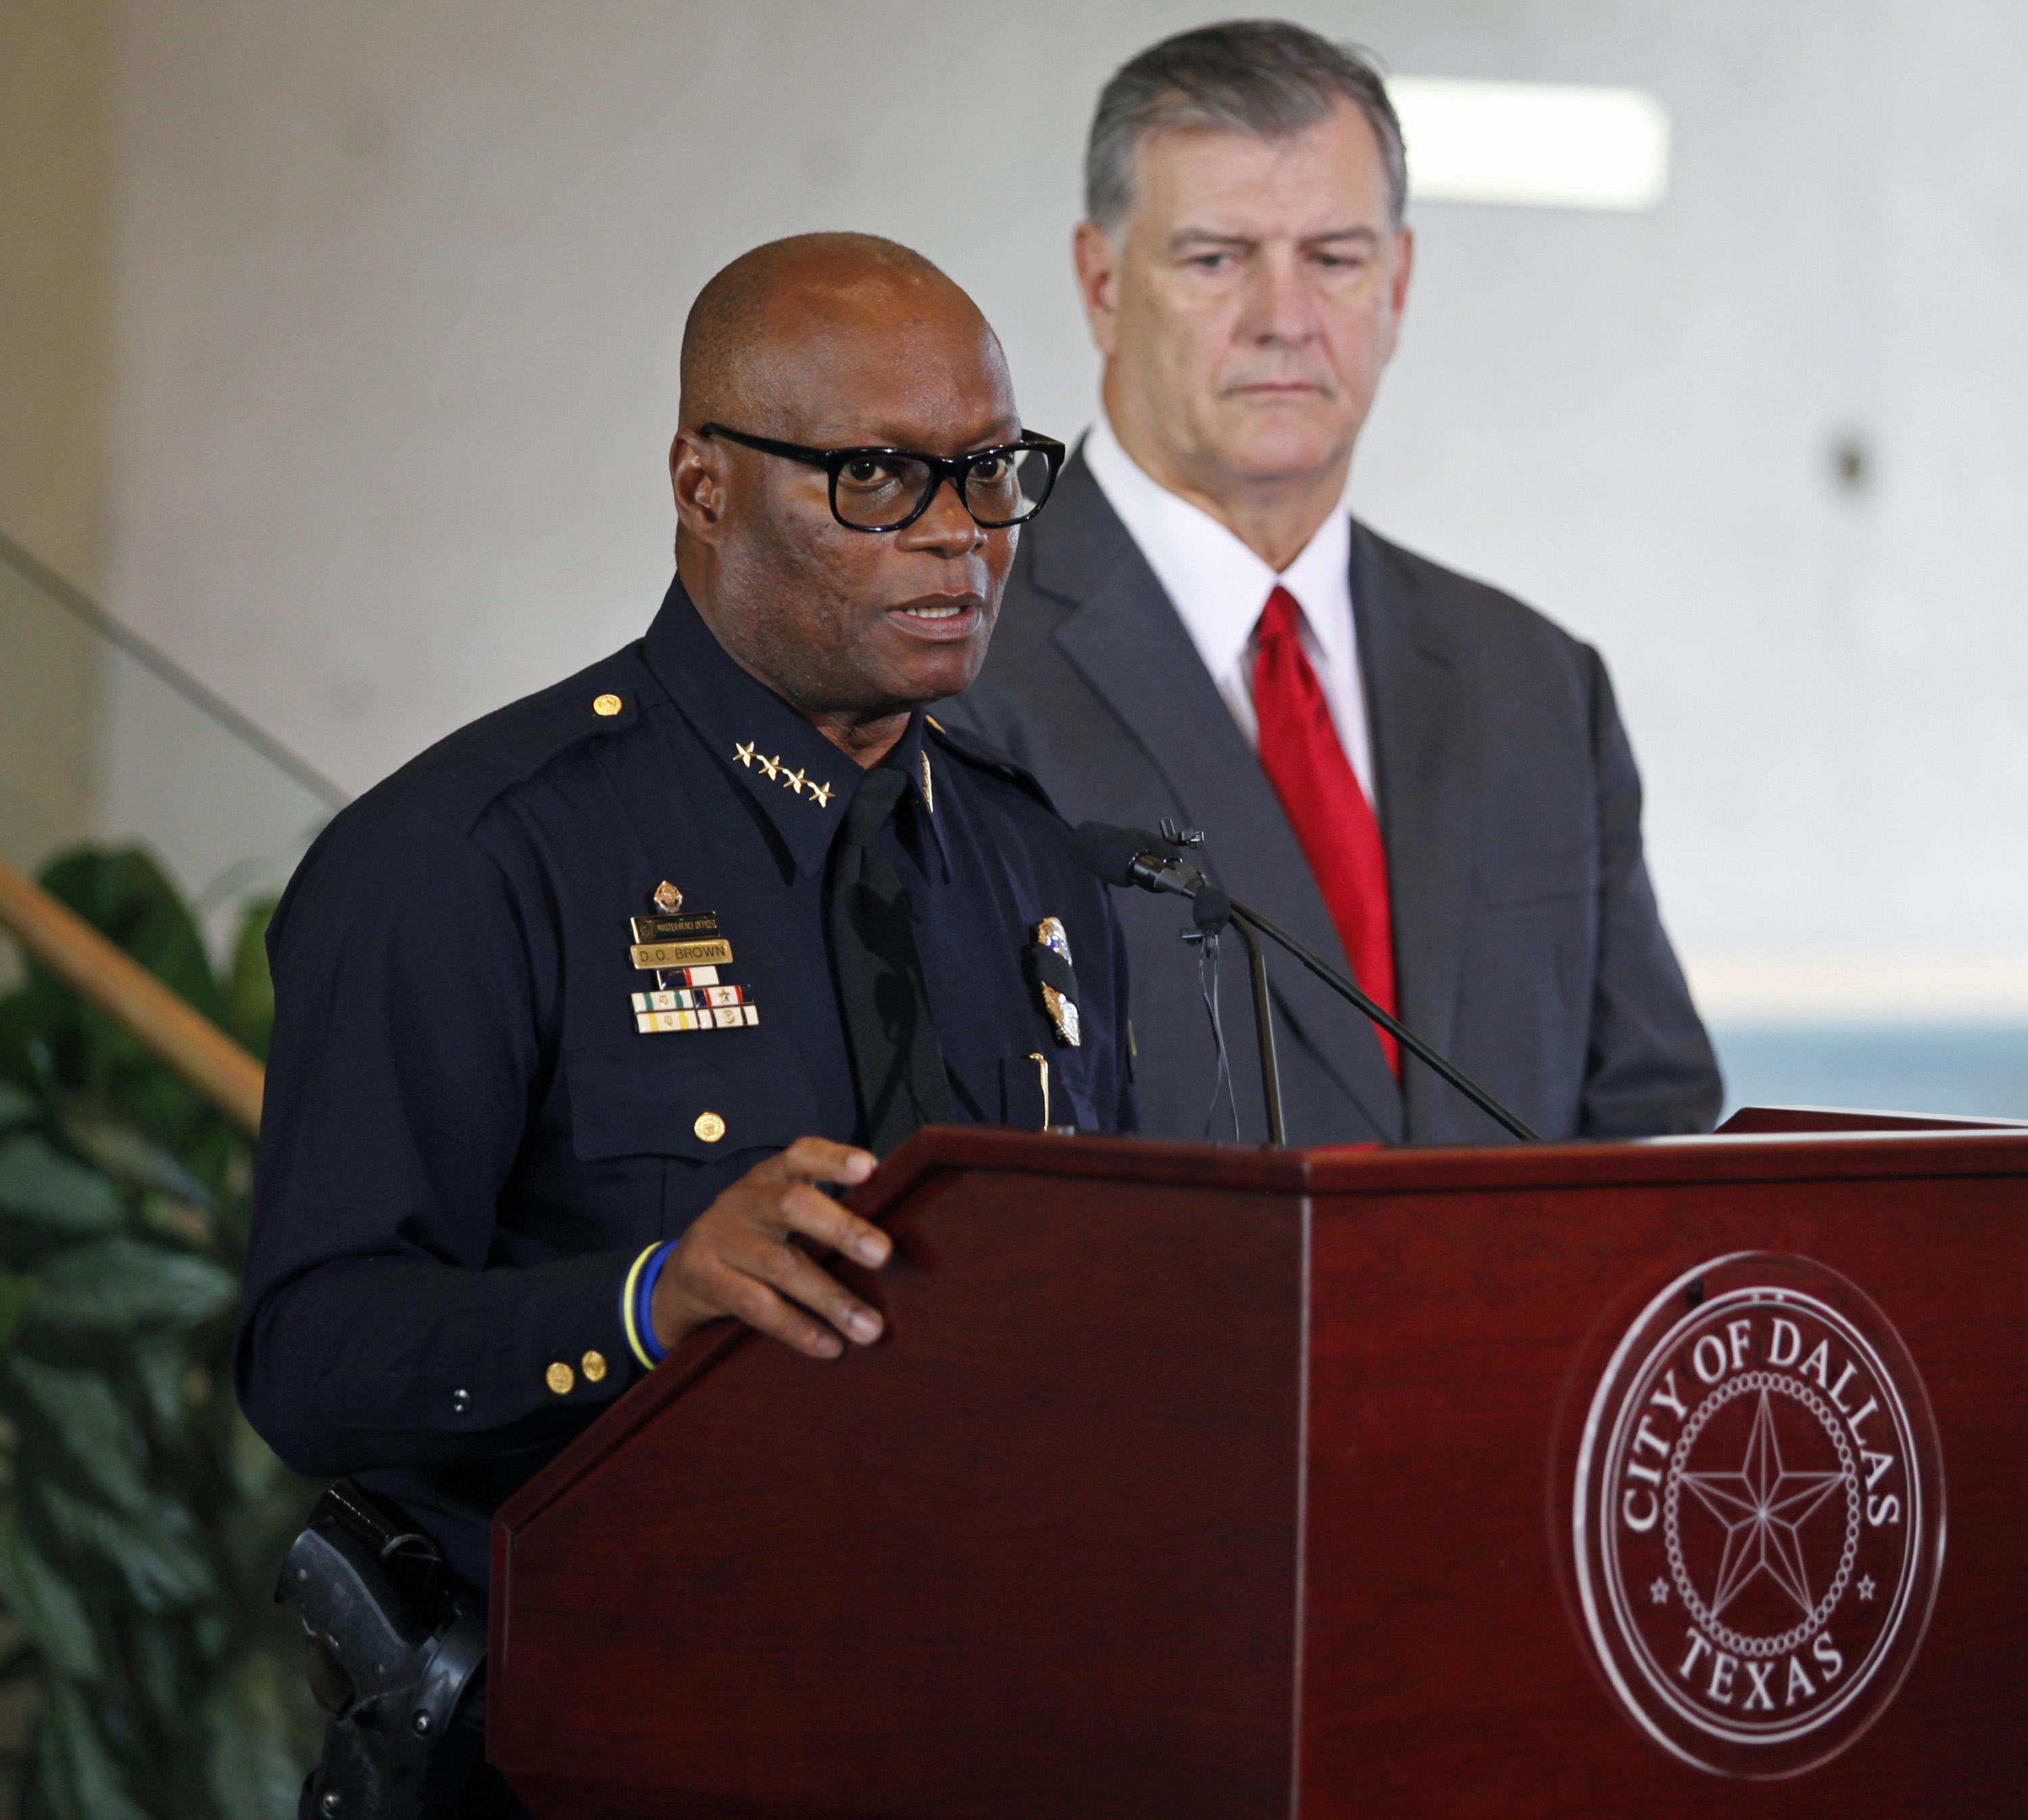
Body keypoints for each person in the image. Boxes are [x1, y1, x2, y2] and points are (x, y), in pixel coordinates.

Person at [236, 233, 1129, 1813]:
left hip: (979, 1719)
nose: (960, 540)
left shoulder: (1033, 864)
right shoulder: (470, 858)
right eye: (875, 476)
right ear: (703, 481)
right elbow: (312, 1353)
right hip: (600, 1739)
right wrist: (647, 1298)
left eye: (990, 472)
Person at [948, 21, 1722, 1147]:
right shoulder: (954, 669)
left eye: (1335, 258)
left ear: (1397, 283)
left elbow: (1654, 1123)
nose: (1283, 319)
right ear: (1102, 282)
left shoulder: (1540, 683)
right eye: (1216, 258)